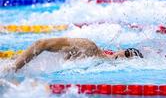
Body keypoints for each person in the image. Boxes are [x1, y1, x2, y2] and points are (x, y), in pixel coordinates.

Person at [12, 37, 143, 72]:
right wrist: (11, 68)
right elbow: (41, 44)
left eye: (128, 57)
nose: (123, 57)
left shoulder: (95, 62)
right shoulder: (89, 47)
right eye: (127, 53)